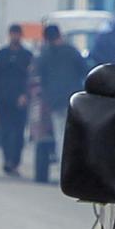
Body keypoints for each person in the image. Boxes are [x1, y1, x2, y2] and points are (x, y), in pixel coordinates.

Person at [37, 23, 89, 172]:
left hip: (54, 101)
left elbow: (40, 76)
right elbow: (85, 70)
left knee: (60, 134)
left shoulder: (45, 55)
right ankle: (73, 167)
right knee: (73, 134)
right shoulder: (72, 52)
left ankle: (63, 168)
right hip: (74, 100)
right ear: (59, 35)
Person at [0, 22, 34, 176]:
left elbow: (30, 78)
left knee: (18, 132)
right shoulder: (1, 54)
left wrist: (25, 95)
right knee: (5, 131)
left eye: (17, 34)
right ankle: (7, 160)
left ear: (20, 36)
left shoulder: (27, 55)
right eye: (12, 34)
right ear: (9, 35)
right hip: (3, 99)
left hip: (20, 100)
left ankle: (15, 162)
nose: (15, 37)